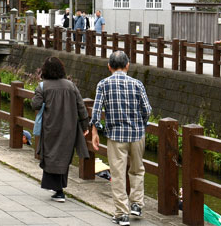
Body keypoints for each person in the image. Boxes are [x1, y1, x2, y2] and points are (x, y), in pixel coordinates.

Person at [90, 51, 152, 224]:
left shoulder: (103, 84)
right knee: (137, 169)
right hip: (137, 134)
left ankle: (122, 213)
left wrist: (96, 132)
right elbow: (147, 110)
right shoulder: (137, 84)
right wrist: (141, 124)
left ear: (109, 67)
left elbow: (96, 112)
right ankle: (137, 205)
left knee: (117, 174)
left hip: (116, 135)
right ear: (127, 66)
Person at [30, 56, 89, 203]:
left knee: (51, 155)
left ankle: (59, 191)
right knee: (63, 156)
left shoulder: (43, 86)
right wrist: (84, 126)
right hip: (69, 127)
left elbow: (35, 105)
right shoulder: (71, 86)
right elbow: (81, 107)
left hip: (51, 127)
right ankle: (59, 189)